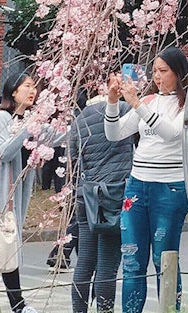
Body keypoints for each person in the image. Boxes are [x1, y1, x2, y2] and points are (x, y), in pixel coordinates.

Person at [105, 48, 188, 313]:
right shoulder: (150, 101)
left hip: (170, 188)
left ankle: (169, 309)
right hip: (137, 185)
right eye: (154, 71)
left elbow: (171, 133)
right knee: (131, 259)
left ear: (179, 73)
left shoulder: (187, 103)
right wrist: (111, 101)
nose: (157, 77)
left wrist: (136, 104)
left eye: (163, 71)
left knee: (163, 259)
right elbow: (114, 133)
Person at [0, 72, 61, 313]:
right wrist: (28, 127)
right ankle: (18, 305)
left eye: (34, 86)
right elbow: (4, 152)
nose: (32, 90)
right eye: (27, 86)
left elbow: (60, 138)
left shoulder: (31, 122)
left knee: (5, 247)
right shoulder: (1, 118)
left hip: (16, 197)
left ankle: (18, 305)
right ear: (13, 92)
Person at [71, 86, 134, 313]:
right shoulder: (125, 109)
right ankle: (104, 311)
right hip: (113, 196)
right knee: (107, 264)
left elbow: (73, 161)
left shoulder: (79, 120)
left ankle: (79, 311)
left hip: (85, 196)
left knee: (85, 262)